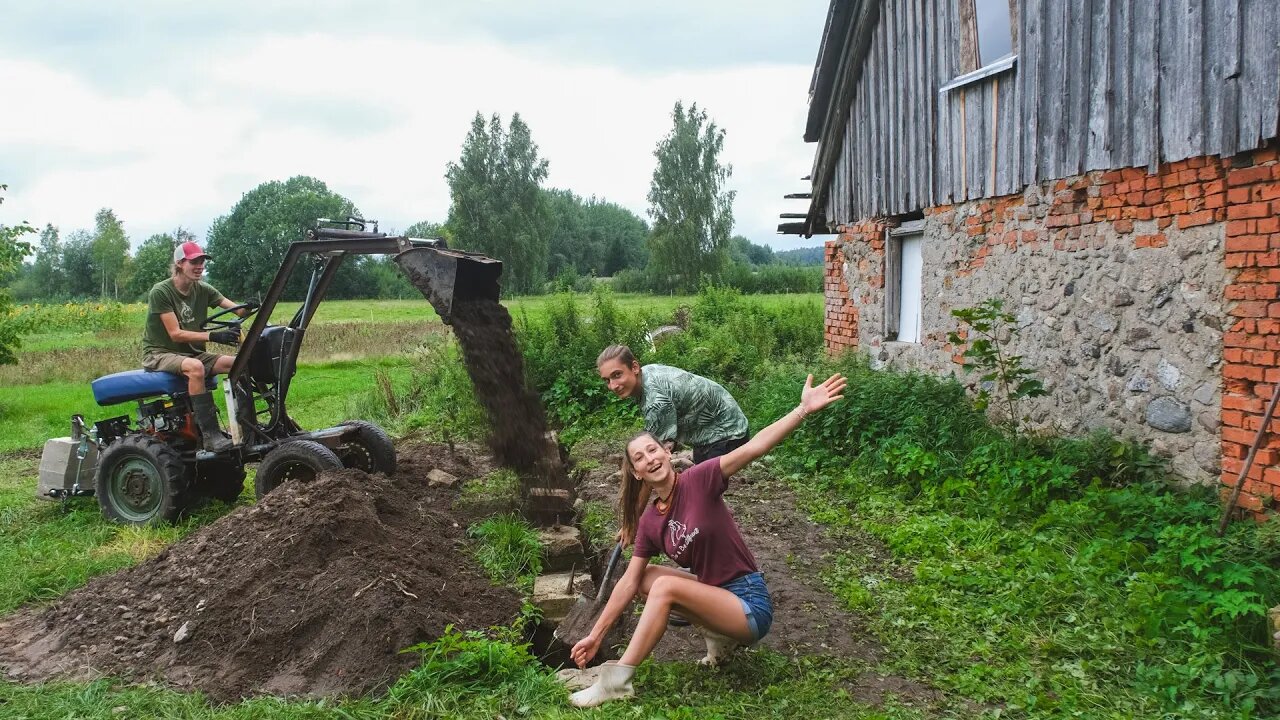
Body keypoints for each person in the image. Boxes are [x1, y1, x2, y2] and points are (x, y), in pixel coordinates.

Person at [567, 372, 847, 708]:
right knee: (642, 577)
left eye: (653, 449)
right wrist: (596, 634)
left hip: (748, 604)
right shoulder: (651, 521)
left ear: (668, 453)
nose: (650, 458)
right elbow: (628, 582)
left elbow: (756, 445)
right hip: (715, 594)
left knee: (664, 588)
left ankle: (617, 680)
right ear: (637, 473)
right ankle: (719, 641)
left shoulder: (700, 479)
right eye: (639, 458)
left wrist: (801, 410)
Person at [142, 241, 255, 453]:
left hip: (192, 353)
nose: (200, 266)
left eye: (202, 261)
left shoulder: (203, 289)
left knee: (240, 364)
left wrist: (249, 306)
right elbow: (175, 334)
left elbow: (237, 311)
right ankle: (210, 435)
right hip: (160, 353)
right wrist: (213, 335)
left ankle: (248, 428)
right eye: (194, 261)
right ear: (179, 264)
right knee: (196, 368)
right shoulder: (161, 292)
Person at [596, 345, 749, 465]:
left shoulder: (656, 401)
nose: (613, 386)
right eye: (607, 380)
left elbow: (654, 450)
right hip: (709, 428)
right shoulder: (647, 372)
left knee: (706, 490)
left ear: (634, 367)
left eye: (617, 375)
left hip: (727, 433)